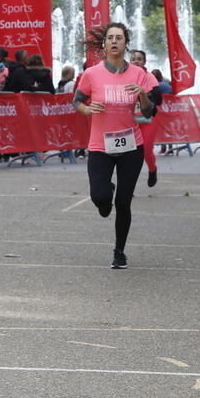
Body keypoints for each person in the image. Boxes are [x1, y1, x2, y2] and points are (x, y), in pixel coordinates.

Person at [74, 23, 160, 268]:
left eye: (119, 38)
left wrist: (142, 94)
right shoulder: (92, 74)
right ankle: (105, 196)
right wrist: (87, 109)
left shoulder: (138, 74)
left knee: (124, 202)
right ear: (104, 44)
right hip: (100, 146)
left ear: (125, 43)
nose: (114, 41)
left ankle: (119, 251)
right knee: (100, 198)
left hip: (131, 146)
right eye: (110, 38)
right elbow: (77, 101)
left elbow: (149, 111)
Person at [128, 51, 161, 186]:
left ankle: (152, 169)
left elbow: (158, 99)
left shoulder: (150, 77)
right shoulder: (123, 76)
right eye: (133, 59)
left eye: (139, 59)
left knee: (146, 150)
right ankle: (127, 185)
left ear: (144, 62)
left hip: (148, 120)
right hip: (129, 120)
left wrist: (143, 96)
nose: (136, 61)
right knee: (128, 153)